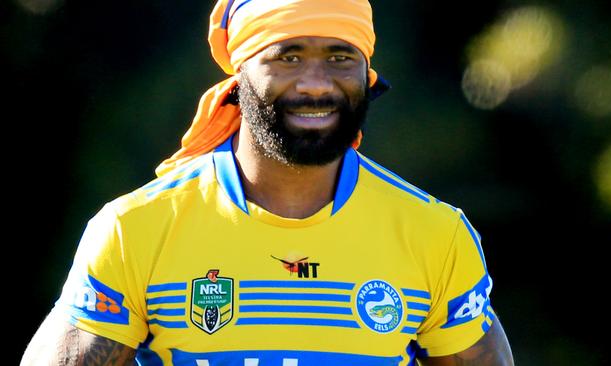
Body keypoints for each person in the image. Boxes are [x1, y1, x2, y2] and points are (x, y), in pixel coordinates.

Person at [22, 0, 514, 365]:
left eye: (341, 58)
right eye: (288, 57)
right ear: (239, 74)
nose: (316, 84)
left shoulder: (435, 235)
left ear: (367, 73)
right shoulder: (136, 230)